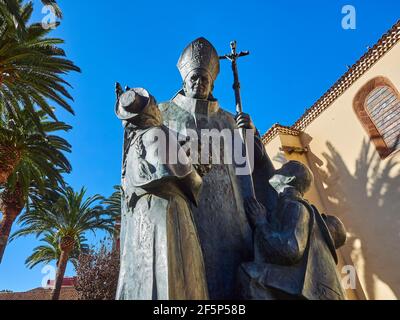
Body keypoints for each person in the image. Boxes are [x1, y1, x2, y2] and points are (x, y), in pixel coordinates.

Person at [158, 37, 276, 299]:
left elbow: (250, 162)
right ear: (184, 80)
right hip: (187, 206)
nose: (199, 84)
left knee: (231, 275)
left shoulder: (227, 120)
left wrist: (250, 132)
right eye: (194, 78)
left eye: (204, 80)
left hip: (228, 213)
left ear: (211, 84)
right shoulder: (163, 113)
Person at [114, 86, 208, 300]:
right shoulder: (157, 135)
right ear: (151, 110)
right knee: (175, 275)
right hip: (168, 211)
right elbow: (190, 178)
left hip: (142, 220)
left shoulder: (133, 147)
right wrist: (198, 172)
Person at [239, 160, 347, 300]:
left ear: (288, 178)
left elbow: (290, 249)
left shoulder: (295, 207)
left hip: (302, 287)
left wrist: (261, 223)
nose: (277, 170)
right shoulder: (287, 204)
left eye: (283, 168)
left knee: (250, 274)